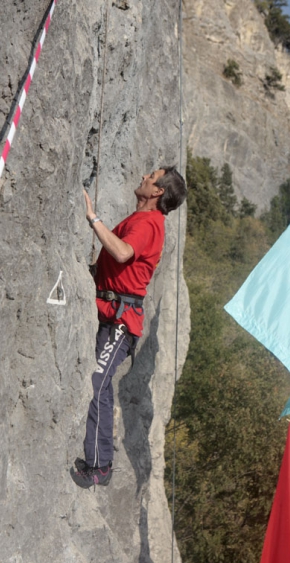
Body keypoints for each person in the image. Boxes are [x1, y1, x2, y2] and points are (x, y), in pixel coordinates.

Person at [71, 166, 187, 488]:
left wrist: (93, 218)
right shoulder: (141, 220)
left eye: (151, 176)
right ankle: (100, 460)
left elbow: (122, 253)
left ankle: (100, 465)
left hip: (121, 322)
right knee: (98, 381)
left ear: (158, 191)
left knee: (98, 381)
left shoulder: (151, 224)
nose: (144, 177)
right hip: (110, 312)